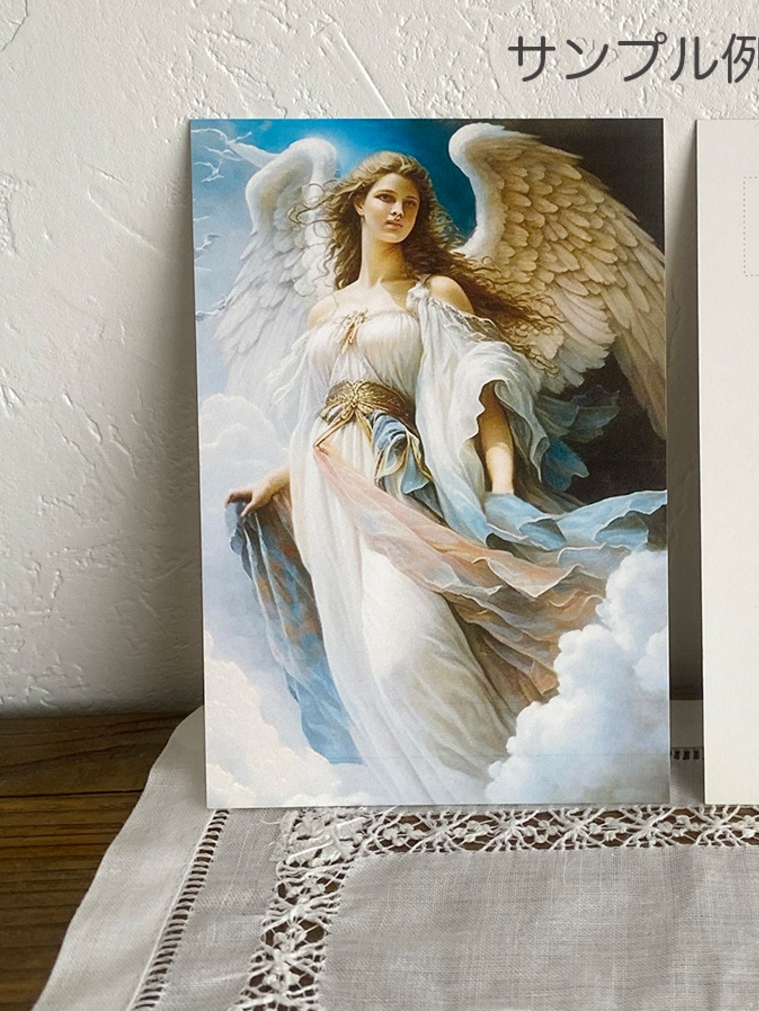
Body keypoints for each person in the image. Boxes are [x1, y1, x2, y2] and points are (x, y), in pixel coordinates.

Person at [226, 150, 661, 802]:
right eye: (386, 198)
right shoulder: (324, 312)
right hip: (328, 490)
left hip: (402, 486)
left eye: (410, 203)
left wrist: (503, 492)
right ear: (358, 204)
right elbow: (322, 415)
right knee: (367, 661)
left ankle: (488, 792)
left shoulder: (434, 295)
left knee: (407, 652)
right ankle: (438, 804)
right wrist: (276, 479)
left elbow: (485, 403)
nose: (398, 211)